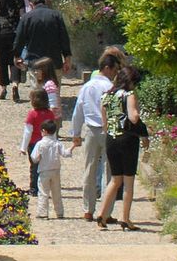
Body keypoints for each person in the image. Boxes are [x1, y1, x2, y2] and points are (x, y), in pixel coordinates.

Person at [70, 49, 122, 222]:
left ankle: (88, 209)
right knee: (110, 172)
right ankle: (106, 211)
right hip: (108, 131)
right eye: (114, 70)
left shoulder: (87, 86)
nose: (115, 74)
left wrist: (75, 133)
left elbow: (78, 110)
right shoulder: (110, 87)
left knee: (89, 170)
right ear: (107, 68)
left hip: (91, 131)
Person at [96, 66, 148, 231]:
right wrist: (143, 131)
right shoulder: (129, 95)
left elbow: (104, 123)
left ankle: (102, 214)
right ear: (130, 81)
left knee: (115, 179)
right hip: (127, 140)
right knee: (128, 181)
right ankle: (125, 218)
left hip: (111, 139)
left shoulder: (106, 96)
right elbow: (133, 117)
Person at [12, 0, 71, 91]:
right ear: (44, 2)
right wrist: (67, 58)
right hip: (54, 63)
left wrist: (17, 56)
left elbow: (19, 40)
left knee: (38, 97)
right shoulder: (56, 16)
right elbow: (64, 38)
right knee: (54, 95)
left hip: (35, 63)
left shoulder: (26, 18)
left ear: (31, 4)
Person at [20, 89, 58, 200]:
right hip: (47, 144)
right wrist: (54, 144)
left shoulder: (32, 114)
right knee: (45, 167)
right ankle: (45, 188)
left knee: (34, 167)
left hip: (33, 144)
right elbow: (53, 130)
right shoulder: (50, 114)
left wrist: (23, 147)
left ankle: (34, 188)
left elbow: (28, 132)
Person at [29, 122, 71, 219]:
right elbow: (65, 153)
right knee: (56, 192)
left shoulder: (40, 144)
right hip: (56, 170)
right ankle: (59, 212)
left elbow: (34, 158)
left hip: (44, 171)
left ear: (44, 131)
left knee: (43, 192)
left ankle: (43, 213)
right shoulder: (57, 143)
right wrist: (72, 146)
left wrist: (38, 158)